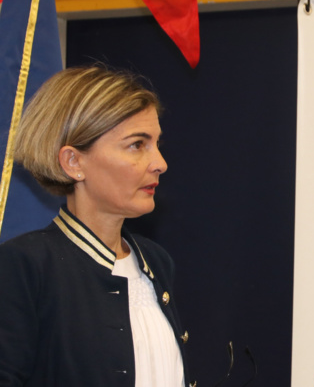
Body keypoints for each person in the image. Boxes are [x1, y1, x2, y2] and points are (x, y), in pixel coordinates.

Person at [0, 66, 192, 387]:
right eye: (137, 145)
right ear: (73, 162)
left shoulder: (156, 262)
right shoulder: (23, 267)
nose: (160, 163)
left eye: (157, 143)